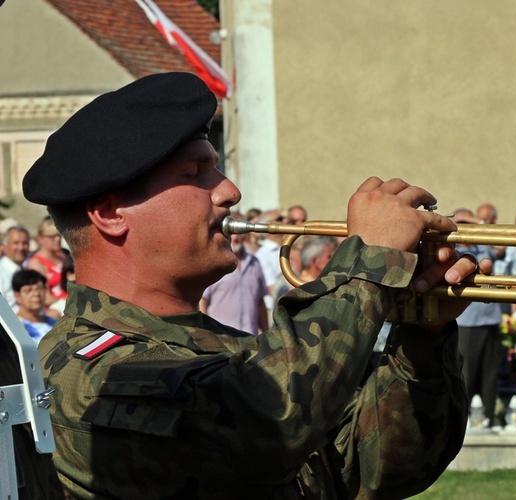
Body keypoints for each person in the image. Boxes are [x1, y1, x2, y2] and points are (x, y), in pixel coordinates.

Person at [23, 72, 486, 498]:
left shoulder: (227, 349)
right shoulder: (81, 374)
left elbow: (376, 467)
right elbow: (268, 424)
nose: (228, 191)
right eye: (193, 174)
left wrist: (420, 340)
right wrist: (367, 265)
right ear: (109, 214)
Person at [453, 208, 504, 427]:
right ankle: (462, 424)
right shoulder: (452, 250)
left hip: (490, 319)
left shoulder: (482, 246)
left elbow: (501, 246)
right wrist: (456, 222)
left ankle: (489, 420)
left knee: (490, 376)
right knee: (466, 375)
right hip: (466, 322)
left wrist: (477, 222)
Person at [199, 212, 269, 334]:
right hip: (221, 341)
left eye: (239, 233)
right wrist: (206, 335)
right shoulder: (213, 264)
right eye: (231, 232)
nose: (235, 238)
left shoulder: (255, 262)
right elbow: (203, 301)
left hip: (251, 339)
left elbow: (260, 302)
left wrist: (266, 334)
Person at [25, 217, 68, 305]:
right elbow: (45, 298)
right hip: (56, 309)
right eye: (52, 236)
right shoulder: (36, 264)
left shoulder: (64, 256)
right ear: (40, 238)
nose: (57, 239)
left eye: (59, 235)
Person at [12, 269, 57, 344]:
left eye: (40, 288)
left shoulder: (56, 324)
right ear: (17, 296)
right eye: (28, 290)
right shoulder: (13, 327)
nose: (36, 294)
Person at [0, 225, 30, 309]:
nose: (21, 248)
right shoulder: (1, 273)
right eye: (16, 243)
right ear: (5, 246)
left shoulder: (27, 270)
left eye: (25, 243)